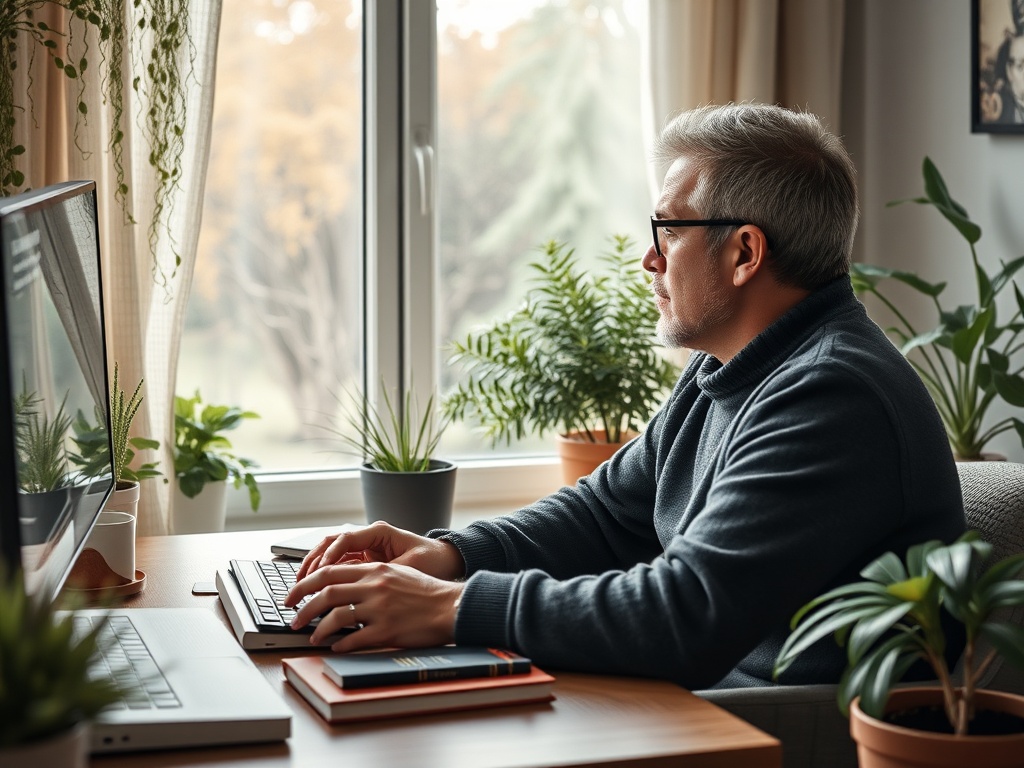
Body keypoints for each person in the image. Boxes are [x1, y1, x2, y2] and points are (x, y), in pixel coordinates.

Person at [286, 103, 965, 690]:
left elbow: (687, 613)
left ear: (745, 253)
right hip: (691, 699)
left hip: (760, 723)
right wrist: (451, 556)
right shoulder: (730, 369)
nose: (650, 258)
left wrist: (453, 607)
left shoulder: (832, 394)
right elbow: (607, 514)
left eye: (669, 230)